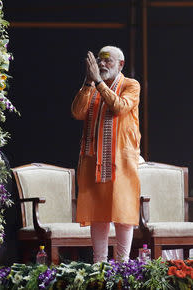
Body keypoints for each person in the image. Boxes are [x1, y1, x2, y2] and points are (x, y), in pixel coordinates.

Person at [71, 46, 141, 263]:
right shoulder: (91, 87)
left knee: (123, 213)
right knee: (97, 214)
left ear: (120, 64)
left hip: (121, 161)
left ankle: (123, 265)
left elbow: (119, 107)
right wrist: (87, 83)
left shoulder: (131, 85)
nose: (102, 65)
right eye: (99, 61)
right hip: (94, 160)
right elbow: (77, 112)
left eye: (107, 61)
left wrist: (99, 84)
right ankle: (99, 265)